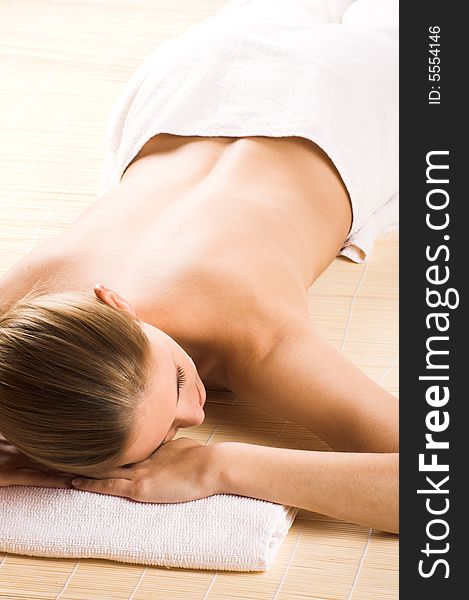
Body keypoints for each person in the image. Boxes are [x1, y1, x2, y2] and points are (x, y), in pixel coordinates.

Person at [0, 0, 398, 533]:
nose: (196, 418)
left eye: (181, 381)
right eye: (172, 433)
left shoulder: (251, 336)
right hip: (205, 71)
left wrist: (216, 464)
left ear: (116, 303)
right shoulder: (24, 313)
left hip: (366, 91)